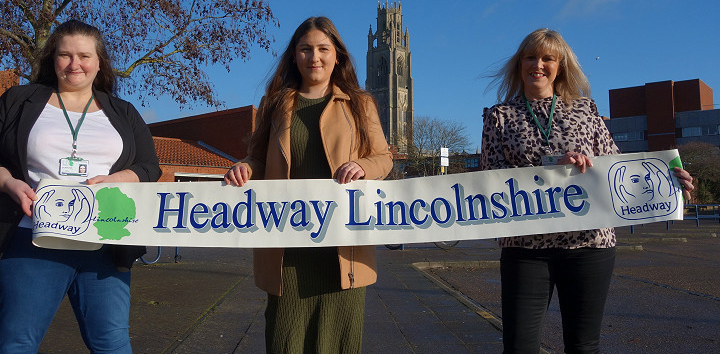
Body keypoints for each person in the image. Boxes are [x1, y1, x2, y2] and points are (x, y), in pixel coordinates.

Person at [480, 28, 694, 354]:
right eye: (531, 57)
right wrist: (553, 169)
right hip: (524, 248)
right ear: (519, 63)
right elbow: (490, 180)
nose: (538, 64)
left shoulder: (585, 110)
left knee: (583, 346)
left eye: (548, 58)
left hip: (589, 244)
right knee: (519, 346)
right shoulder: (499, 116)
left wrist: (669, 181)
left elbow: (617, 168)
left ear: (560, 66)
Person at [224, 16, 392, 354]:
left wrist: (362, 165)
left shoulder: (361, 104)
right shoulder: (276, 104)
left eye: (322, 49)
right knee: (285, 342)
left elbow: (383, 158)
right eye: (305, 49)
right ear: (294, 56)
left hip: (341, 252)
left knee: (337, 345)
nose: (314, 57)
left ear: (337, 56)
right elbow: (257, 159)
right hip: (288, 252)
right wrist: (244, 168)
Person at [0, 19, 161, 353]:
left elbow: (149, 167)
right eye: (65, 55)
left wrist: (115, 180)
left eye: (85, 56)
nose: (75, 64)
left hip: (104, 241)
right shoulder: (18, 100)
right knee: (16, 341)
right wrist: (10, 184)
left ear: (99, 62)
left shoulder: (124, 112)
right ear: (52, 59)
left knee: (112, 343)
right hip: (34, 240)